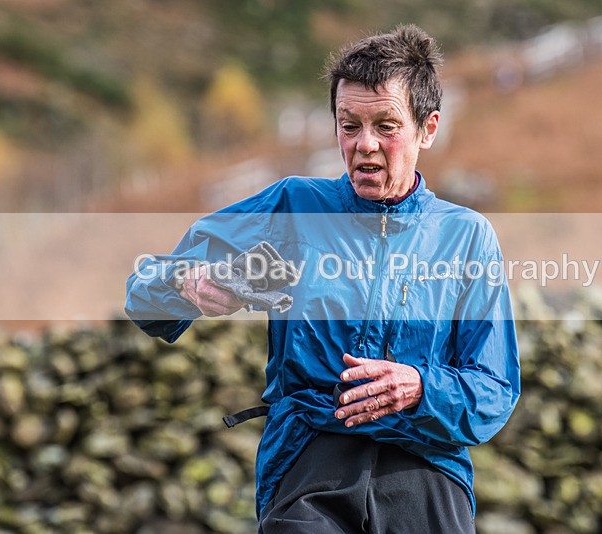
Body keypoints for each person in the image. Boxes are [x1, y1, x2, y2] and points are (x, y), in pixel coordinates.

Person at [126, 24, 520, 533]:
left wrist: (422, 386)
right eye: (348, 125)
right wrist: (187, 284)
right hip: (310, 464)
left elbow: (494, 389)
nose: (364, 145)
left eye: (386, 125)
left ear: (428, 128)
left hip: (427, 471)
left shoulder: (467, 236)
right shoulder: (294, 205)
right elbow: (144, 292)